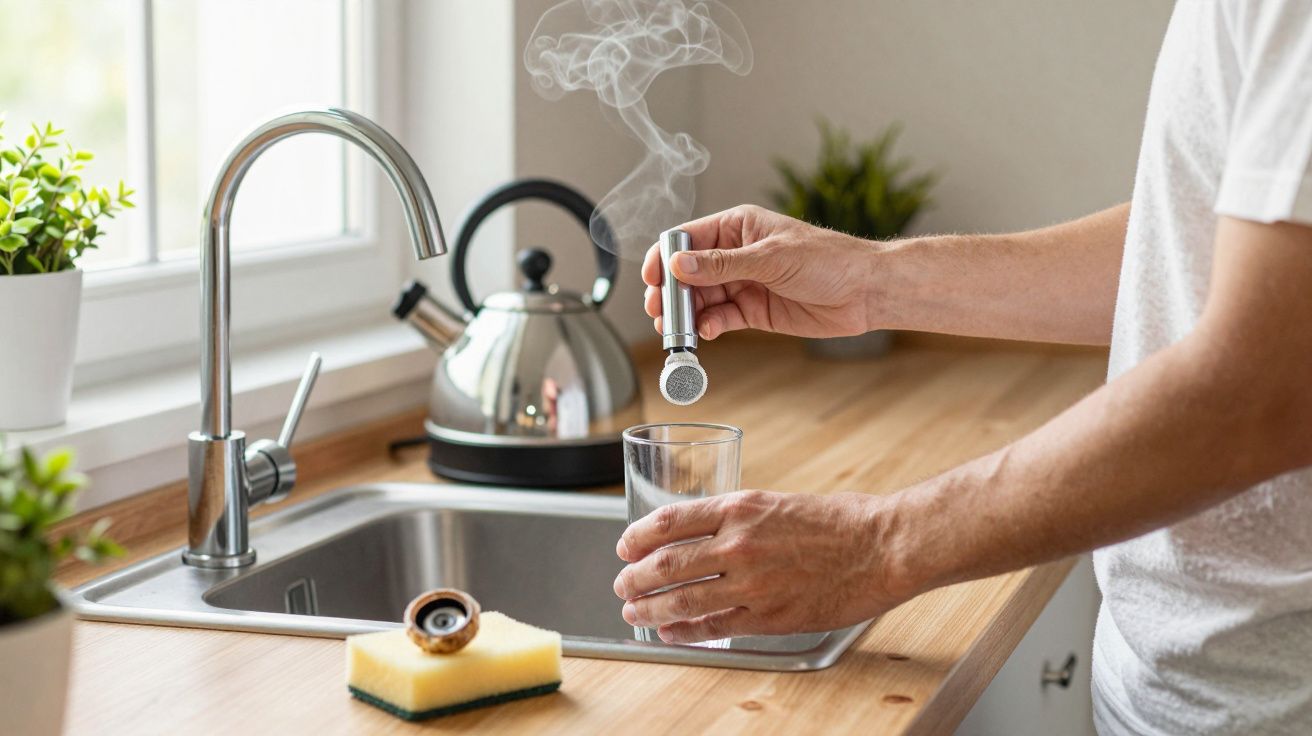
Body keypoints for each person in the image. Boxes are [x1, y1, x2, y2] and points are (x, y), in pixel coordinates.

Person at [611, 2, 1312, 734]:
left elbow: (1264, 387)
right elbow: (1192, 247)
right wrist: (871, 279)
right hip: (1200, 687)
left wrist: (872, 548)